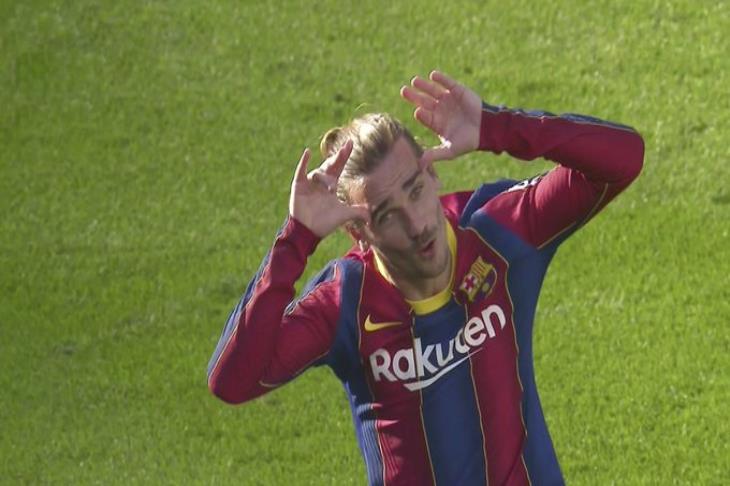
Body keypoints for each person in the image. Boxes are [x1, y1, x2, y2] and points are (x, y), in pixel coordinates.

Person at [207, 71, 644, 485]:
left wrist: (498, 127)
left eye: (415, 191)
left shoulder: (497, 233)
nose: (417, 225)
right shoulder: (345, 303)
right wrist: (295, 239)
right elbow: (232, 381)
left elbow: (623, 158)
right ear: (358, 232)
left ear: (432, 172)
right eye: (387, 215)